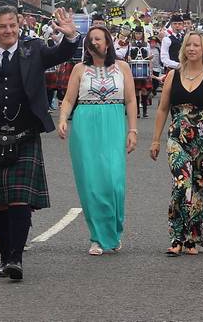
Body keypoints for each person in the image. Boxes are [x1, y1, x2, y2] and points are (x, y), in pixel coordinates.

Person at [0, 6, 78, 281]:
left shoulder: (32, 50)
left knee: (20, 199)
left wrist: (70, 37)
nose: (9, 31)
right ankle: (4, 257)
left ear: (19, 26)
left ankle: (15, 259)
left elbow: (61, 54)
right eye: (3, 26)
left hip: (24, 135)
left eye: (13, 25)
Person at [57, 26, 137, 255]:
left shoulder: (122, 67)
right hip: (85, 126)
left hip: (113, 124)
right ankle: (97, 237)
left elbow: (130, 101)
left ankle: (113, 230)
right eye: (90, 40)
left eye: (98, 39)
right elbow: (69, 99)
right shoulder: (79, 69)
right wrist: (63, 119)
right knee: (91, 184)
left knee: (114, 181)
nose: (94, 43)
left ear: (108, 43)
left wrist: (133, 130)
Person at [149, 31, 203, 256]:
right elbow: (163, 109)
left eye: (197, 45)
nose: (192, 48)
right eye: (188, 45)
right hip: (177, 138)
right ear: (183, 49)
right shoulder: (173, 75)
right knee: (183, 183)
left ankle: (192, 237)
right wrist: (155, 140)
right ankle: (176, 236)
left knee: (201, 189)